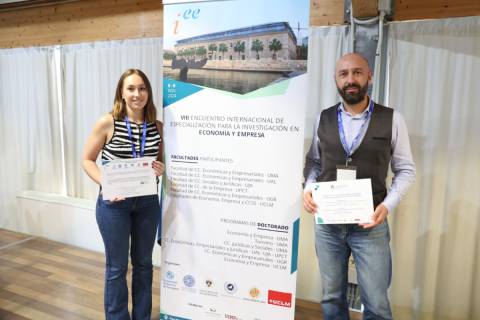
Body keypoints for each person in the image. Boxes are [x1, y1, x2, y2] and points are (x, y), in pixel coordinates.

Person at [303, 53, 415, 319]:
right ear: (336, 80)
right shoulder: (324, 118)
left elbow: (406, 170)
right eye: (344, 74)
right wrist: (308, 187)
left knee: (376, 304)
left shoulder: (392, 119)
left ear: (369, 76)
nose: (350, 80)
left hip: (370, 226)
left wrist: (387, 206)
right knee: (331, 298)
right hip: (328, 225)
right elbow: (314, 163)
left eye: (357, 72)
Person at [82, 69, 164, 320]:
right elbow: (87, 160)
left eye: (142, 88)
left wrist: (160, 168)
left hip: (147, 203)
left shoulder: (157, 126)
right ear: (121, 92)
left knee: (144, 265)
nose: (137, 94)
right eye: (131, 88)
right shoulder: (108, 122)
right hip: (114, 204)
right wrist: (106, 185)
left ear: (148, 92)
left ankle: (142, 317)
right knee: (117, 268)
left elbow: (157, 163)